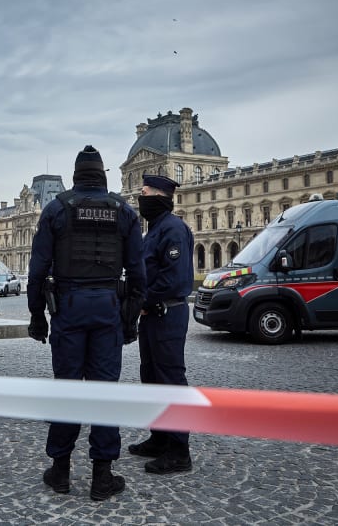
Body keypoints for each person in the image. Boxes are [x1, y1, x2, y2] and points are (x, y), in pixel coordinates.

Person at [27, 145, 146, 501]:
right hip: (108, 306)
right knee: (104, 391)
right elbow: (138, 274)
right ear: (104, 176)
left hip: (69, 307)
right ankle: (102, 475)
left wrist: (37, 317)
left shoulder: (57, 209)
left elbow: (36, 272)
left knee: (67, 389)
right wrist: (129, 321)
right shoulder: (124, 212)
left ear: (76, 176)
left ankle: (60, 471)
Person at [128, 174, 195, 474]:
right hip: (153, 315)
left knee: (170, 381)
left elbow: (175, 279)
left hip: (167, 313)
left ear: (158, 196)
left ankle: (179, 451)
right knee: (151, 378)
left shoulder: (174, 230)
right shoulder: (155, 230)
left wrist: (143, 299)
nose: (139, 198)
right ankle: (159, 437)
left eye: (143, 193)